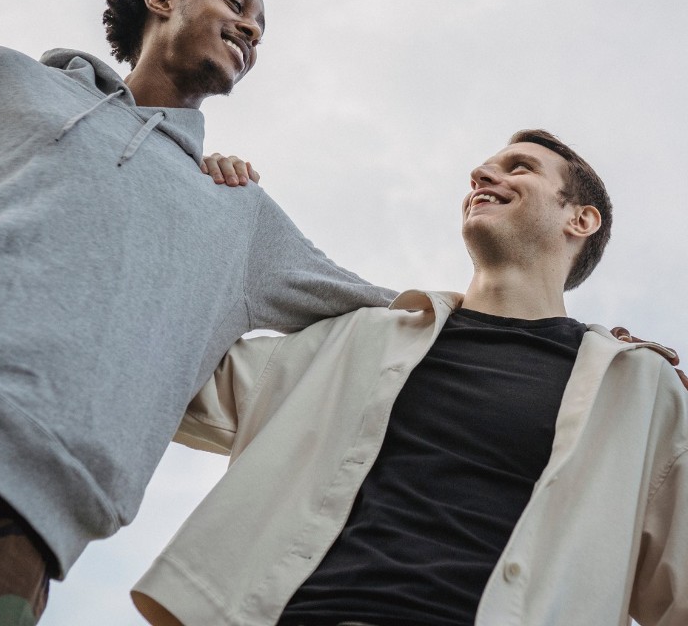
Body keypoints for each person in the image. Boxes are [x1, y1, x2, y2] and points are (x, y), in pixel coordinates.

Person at [0, 0, 396, 624]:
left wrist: (586, 353)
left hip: (17, 520)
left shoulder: (238, 212)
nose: (250, 28)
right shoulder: (5, 80)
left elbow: (396, 315)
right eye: (235, 2)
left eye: (261, 28)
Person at [132, 129, 687, 626]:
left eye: (519, 167)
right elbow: (154, 362)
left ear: (580, 219)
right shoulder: (357, 339)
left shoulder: (639, 391)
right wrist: (200, 208)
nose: (482, 175)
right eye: (484, 168)